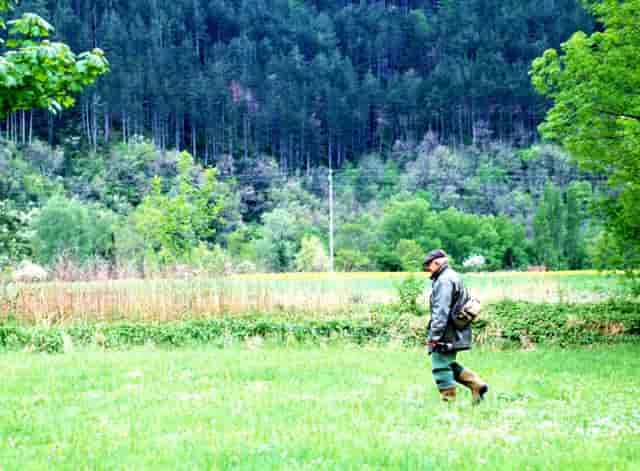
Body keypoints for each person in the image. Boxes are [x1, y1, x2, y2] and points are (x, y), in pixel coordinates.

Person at [423, 249, 489, 404]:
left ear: (437, 262)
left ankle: (448, 402)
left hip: (447, 331)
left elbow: (441, 312)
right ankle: (477, 385)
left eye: (429, 265)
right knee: (447, 363)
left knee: (439, 365)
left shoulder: (444, 280)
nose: (427, 269)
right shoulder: (451, 275)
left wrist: (434, 337)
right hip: (455, 329)